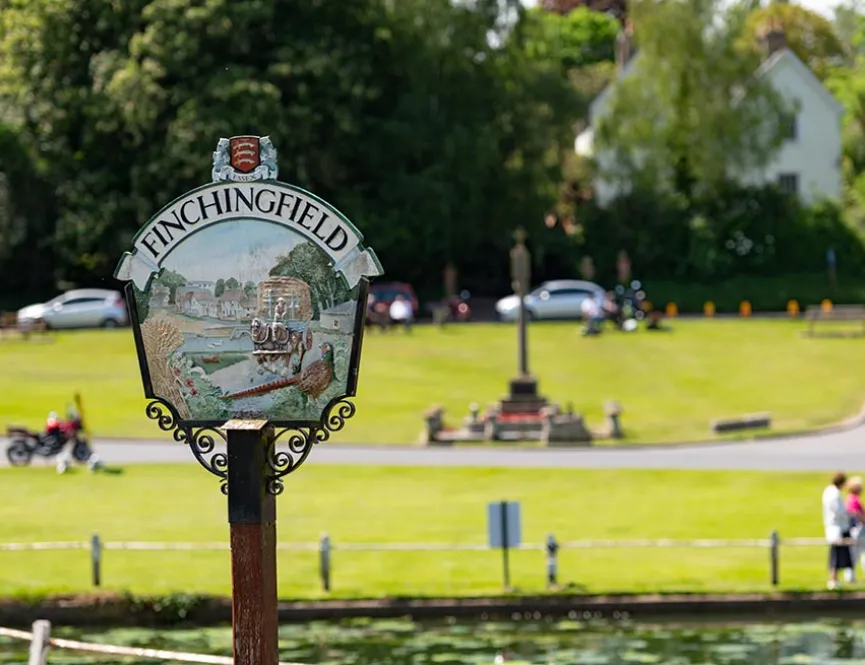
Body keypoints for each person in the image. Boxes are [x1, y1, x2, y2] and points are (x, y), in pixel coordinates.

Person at [823, 472, 854, 589]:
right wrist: (850, 514)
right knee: (836, 555)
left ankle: (835, 579)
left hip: (835, 526)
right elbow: (839, 511)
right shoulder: (834, 494)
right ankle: (833, 580)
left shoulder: (829, 491)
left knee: (837, 555)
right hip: (837, 527)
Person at [846, 476, 865, 581]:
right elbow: (858, 515)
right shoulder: (854, 500)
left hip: (856, 529)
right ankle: (850, 576)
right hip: (858, 530)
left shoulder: (851, 499)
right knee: (856, 553)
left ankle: (851, 576)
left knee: (858, 553)